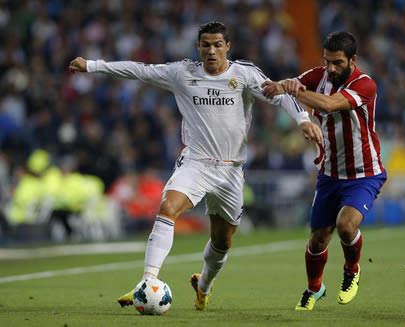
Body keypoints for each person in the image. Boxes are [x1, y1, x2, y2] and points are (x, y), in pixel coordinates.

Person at [68, 21, 322, 311]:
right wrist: (92, 65)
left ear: (227, 46)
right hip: (196, 163)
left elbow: (281, 95)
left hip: (230, 172)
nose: (211, 51)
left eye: (217, 45)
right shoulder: (182, 73)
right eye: (206, 45)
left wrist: (303, 120)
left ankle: (203, 286)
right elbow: (139, 70)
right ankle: (147, 282)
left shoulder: (244, 74)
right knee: (167, 208)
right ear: (198, 47)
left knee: (222, 241)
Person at [262, 31, 387, 310]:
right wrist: (281, 87)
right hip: (329, 174)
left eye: (337, 63)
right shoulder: (318, 76)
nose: (330, 68)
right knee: (318, 239)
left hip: (363, 174)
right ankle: (314, 288)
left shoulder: (365, 85)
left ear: (353, 60)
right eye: (327, 61)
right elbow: (292, 85)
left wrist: (295, 90)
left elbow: (330, 104)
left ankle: (352, 269)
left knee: (345, 225)